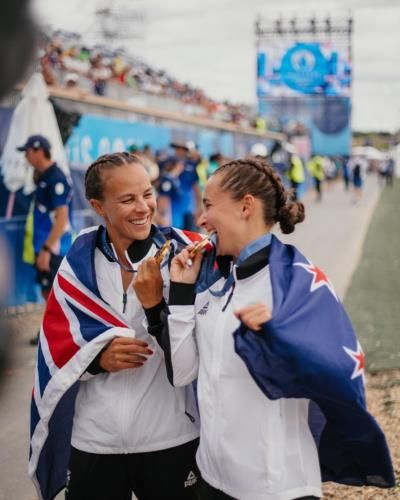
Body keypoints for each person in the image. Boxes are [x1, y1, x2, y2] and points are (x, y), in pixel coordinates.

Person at [147, 157, 394, 499]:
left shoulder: (297, 282)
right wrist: (182, 292)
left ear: (245, 206)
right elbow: (183, 372)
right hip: (211, 477)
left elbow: (343, 371)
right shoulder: (217, 278)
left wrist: (279, 339)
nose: (201, 219)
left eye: (208, 205)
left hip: (275, 488)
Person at [29, 152, 201, 500]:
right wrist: (95, 360)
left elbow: (202, 349)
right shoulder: (77, 263)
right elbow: (56, 348)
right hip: (95, 440)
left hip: (172, 435)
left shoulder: (185, 254)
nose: (143, 207)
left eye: (147, 193)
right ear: (98, 206)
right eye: (127, 199)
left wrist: (158, 308)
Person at [16, 134, 73, 345]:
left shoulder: (55, 178)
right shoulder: (43, 176)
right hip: (43, 246)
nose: (26, 157)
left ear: (39, 151)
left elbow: (62, 217)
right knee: (46, 290)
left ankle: (58, 335)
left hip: (53, 248)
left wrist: (48, 250)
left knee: (54, 291)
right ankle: (51, 331)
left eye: (28, 152)